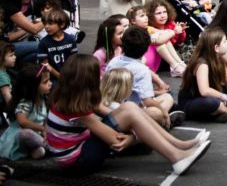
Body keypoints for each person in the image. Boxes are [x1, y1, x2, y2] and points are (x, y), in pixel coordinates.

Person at [47, 55, 210, 175]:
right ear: (87, 80)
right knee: (131, 110)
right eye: (97, 74)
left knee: (131, 107)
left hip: (80, 151)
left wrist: (137, 122)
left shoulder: (70, 95)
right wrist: (135, 136)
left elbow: (117, 114)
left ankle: (178, 146)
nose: (101, 77)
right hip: (78, 162)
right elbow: (115, 140)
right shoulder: (75, 108)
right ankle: (177, 156)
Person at [105, 26, 182, 129]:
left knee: (167, 97)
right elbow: (148, 101)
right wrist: (163, 112)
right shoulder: (141, 70)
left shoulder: (114, 61)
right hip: (127, 113)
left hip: (110, 107)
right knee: (158, 110)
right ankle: (161, 123)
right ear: (146, 49)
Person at [178, 28, 227, 122]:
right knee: (211, 102)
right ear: (216, 48)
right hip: (194, 101)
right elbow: (204, 91)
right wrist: (225, 97)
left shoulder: (219, 58)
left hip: (214, 96)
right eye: (225, 41)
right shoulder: (202, 64)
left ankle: (219, 112)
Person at [0, 63, 51, 160]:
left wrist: (47, 129)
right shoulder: (25, 103)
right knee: (26, 134)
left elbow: (45, 119)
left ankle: (34, 150)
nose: (50, 83)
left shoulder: (42, 98)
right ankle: (54, 148)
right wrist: (43, 129)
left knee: (40, 151)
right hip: (18, 138)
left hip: (37, 135)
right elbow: (22, 122)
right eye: (45, 82)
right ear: (33, 86)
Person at [36, 8, 78, 79]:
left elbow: (74, 61)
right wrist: (60, 77)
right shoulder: (43, 43)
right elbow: (45, 64)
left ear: (62, 24)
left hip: (69, 75)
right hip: (53, 77)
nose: (46, 26)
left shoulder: (71, 40)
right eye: (45, 23)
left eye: (50, 23)